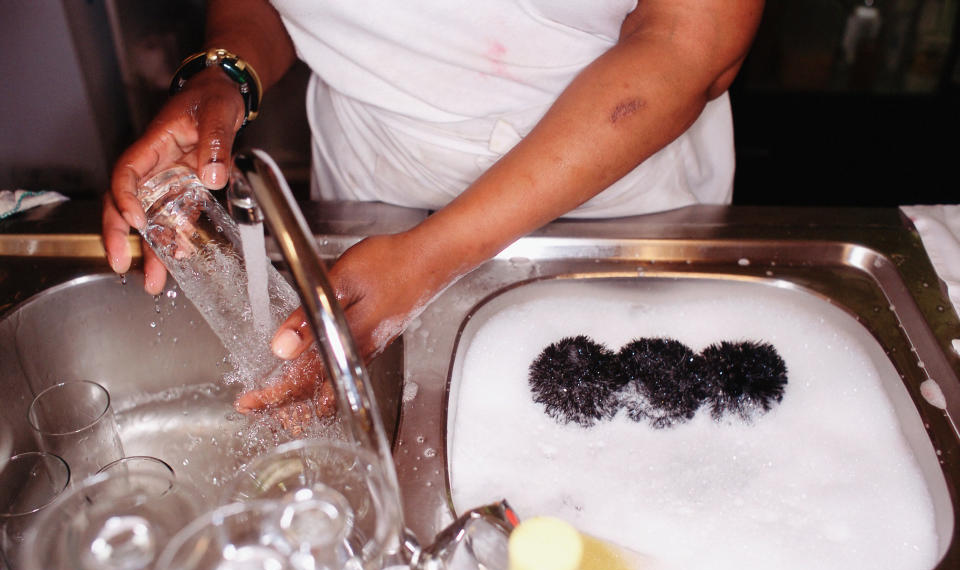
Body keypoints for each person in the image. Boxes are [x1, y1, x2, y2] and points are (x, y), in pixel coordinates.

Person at [102, 0, 765, 417]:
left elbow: (691, 41)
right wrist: (227, 72)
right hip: (379, 190)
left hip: (618, 187)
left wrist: (433, 253)